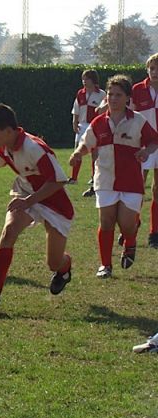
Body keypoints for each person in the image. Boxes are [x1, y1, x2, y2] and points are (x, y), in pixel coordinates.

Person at [0, 104, 74, 309]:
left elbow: (58, 181)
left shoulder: (34, 147)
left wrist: (29, 201)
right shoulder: (4, 145)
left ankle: (65, 267)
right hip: (25, 192)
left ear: (9, 131)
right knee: (10, 230)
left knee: (53, 262)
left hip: (54, 200)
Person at [69, 75, 158, 278]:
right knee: (107, 221)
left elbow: (154, 140)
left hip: (131, 181)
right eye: (110, 94)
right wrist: (77, 153)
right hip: (105, 178)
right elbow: (86, 143)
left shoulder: (138, 120)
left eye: (118, 95)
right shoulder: (99, 122)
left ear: (128, 98)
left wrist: (146, 151)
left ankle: (130, 242)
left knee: (127, 223)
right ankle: (105, 265)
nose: (113, 98)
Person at [131, 53, 158, 248]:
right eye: (152, 68)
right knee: (137, 188)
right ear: (147, 69)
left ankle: (154, 232)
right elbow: (128, 114)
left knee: (157, 190)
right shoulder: (137, 90)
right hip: (143, 144)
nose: (155, 72)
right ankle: (132, 225)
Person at [69, 69, 106, 198]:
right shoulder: (80, 93)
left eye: (87, 79)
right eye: (83, 79)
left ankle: (93, 178)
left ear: (93, 80)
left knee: (95, 154)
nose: (84, 81)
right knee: (77, 151)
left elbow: (104, 112)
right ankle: (73, 178)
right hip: (82, 125)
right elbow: (76, 109)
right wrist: (75, 122)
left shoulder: (101, 94)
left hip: (94, 126)